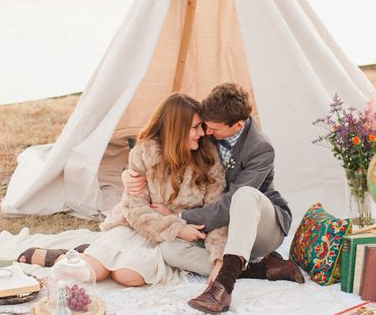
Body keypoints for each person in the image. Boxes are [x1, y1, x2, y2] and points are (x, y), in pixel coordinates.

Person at [125, 83, 304, 314]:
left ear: (237, 125)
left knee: (244, 195)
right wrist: (128, 173)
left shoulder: (261, 148)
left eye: (213, 129)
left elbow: (229, 205)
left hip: (260, 227)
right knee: (170, 250)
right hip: (219, 228)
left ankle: (222, 288)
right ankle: (262, 269)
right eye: (204, 126)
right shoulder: (211, 125)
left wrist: (179, 217)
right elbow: (166, 141)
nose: (206, 133)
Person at [18, 94, 228, 287]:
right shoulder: (145, 152)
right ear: (177, 128)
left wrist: (218, 257)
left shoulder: (208, 158)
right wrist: (175, 227)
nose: (202, 133)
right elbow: (135, 209)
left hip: (172, 238)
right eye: (196, 127)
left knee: (127, 276)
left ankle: (87, 252)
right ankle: (61, 257)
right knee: (89, 272)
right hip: (139, 225)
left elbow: (217, 212)